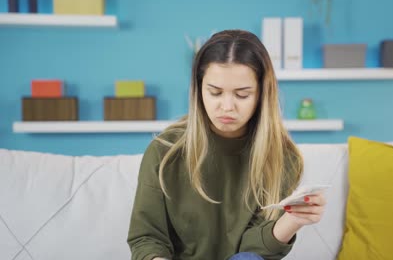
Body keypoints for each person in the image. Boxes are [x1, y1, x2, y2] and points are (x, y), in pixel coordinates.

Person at [127, 29, 326, 260]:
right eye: (215, 92)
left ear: (262, 94)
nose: (227, 106)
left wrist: (292, 221)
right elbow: (147, 239)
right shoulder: (165, 151)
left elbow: (252, 251)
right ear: (199, 90)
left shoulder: (283, 157)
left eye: (242, 95)